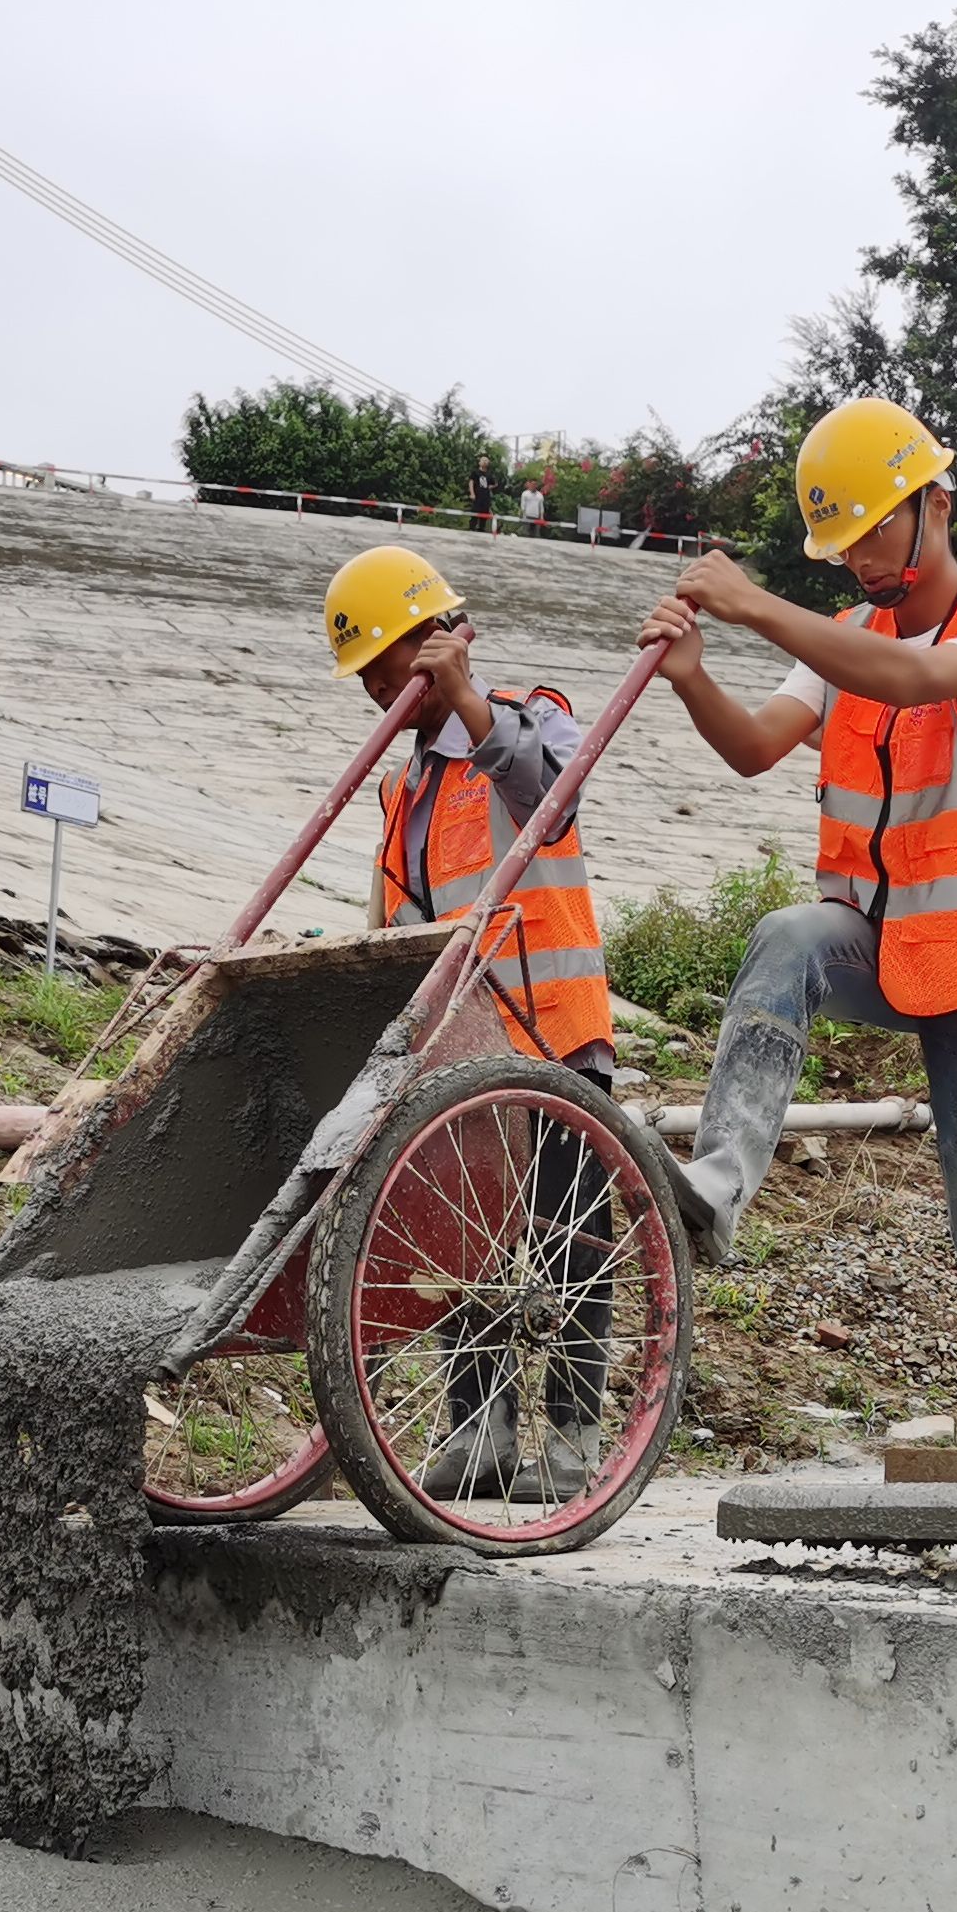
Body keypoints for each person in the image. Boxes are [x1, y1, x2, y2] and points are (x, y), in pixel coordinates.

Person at [631, 398, 957, 1430]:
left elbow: (918, 681)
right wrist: (695, 680)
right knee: (787, 935)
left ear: (936, 504)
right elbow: (754, 744)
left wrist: (754, 604)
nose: (862, 559)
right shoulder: (846, 637)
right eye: (846, 542)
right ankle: (721, 1185)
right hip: (874, 943)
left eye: (875, 527)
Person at [322, 543, 618, 1502]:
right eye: (365, 676)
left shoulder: (537, 722)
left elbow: (551, 796)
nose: (378, 691)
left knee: (568, 1238)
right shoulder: (401, 785)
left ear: (435, 643)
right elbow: (399, 919)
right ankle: (479, 1426)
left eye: (386, 666)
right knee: (469, 1240)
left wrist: (471, 704)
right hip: (459, 1046)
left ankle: (573, 1439)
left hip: (554, 1033)